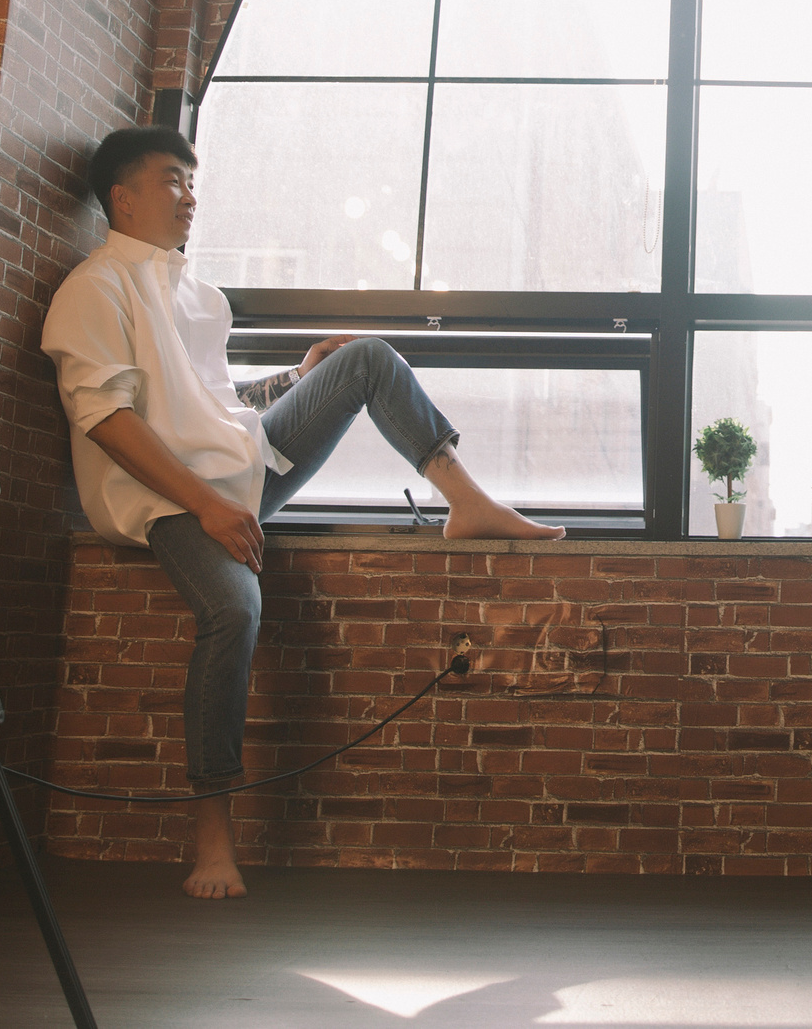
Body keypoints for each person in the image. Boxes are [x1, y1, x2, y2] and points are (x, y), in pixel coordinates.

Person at [41, 125, 563, 900]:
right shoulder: (95, 286)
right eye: (171, 179)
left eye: (193, 178)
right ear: (122, 196)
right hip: (168, 498)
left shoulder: (198, 293)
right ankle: (211, 833)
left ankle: (469, 502)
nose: (190, 193)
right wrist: (208, 506)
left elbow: (219, 408)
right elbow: (107, 419)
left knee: (364, 357)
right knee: (235, 605)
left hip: (234, 472)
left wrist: (296, 377)